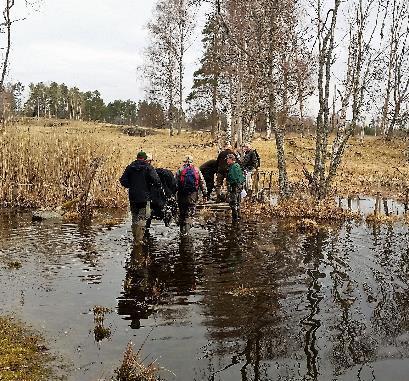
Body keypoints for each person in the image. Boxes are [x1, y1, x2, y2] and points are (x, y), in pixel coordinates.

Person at [120, 151, 162, 243]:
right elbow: (157, 181)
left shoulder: (130, 167)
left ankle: (136, 238)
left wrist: (131, 185)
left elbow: (122, 180)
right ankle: (139, 240)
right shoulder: (148, 167)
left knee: (134, 217)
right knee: (142, 218)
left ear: (137, 157)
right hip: (144, 197)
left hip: (133, 196)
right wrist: (150, 187)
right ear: (145, 158)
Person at [175, 155, 207, 235]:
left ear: (184, 161)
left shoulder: (180, 170)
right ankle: (187, 233)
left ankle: (182, 231)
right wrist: (205, 194)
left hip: (182, 195)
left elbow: (175, 183)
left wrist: (175, 195)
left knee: (182, 213)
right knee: (189, 213)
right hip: (193, 195)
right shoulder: (196, 170)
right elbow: (202, 182)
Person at [226, 153, 245, 222]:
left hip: (234, 187)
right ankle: (238, 217)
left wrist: (229, 183)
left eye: (228, 159)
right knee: (238, 202)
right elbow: (242, 178)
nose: (227, 161)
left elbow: (233, 178)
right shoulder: (237, 165)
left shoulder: (234, 167)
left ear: (231, 159)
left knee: (233, 203)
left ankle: (235, 219)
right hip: (239, 187)